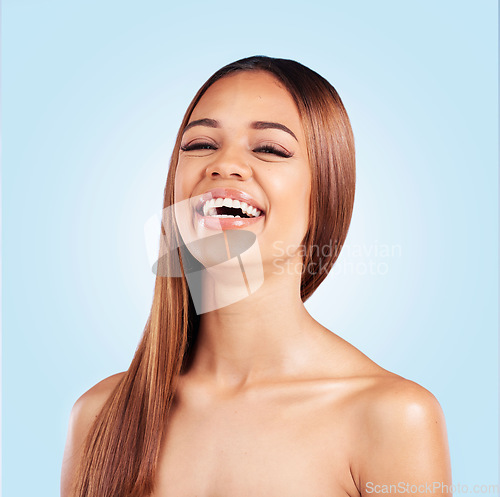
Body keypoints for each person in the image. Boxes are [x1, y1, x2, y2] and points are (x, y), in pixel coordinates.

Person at [61, 55, 452, 497]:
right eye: (200, 144)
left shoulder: (392, 417)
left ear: (325, 190)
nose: (224, 165)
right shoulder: (99, 415)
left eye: (269, 149)